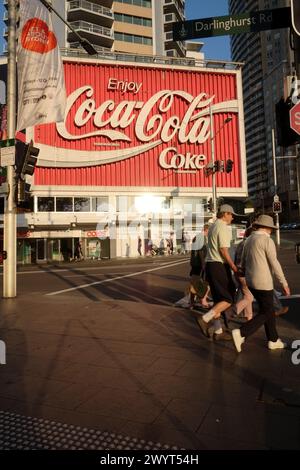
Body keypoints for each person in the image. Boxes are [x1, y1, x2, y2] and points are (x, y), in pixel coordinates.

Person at [231, 214, 290, 353]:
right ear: (268, 228)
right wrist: (284, 283)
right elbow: (274, 263)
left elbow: (243, 261)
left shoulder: (249, 239)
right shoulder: (266, 241)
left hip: (251, 281)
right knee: (266, 312)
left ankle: (273, 340)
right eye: (271, 229)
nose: (271, 231)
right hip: (263, 282)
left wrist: (243, 272)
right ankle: (241, 333)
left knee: (267, 310)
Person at [196, 205, 238, 342]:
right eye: (231, 214)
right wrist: (233, 265)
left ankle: (218, 330)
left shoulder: (213, 226)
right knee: (228, 299)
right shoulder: (223, 227)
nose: (232, 217)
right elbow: (223, 250)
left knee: (219, 299)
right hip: (218, 265)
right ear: (225, 214)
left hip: (210, 265)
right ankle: (204, 318)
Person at [225, 226, 254, 321]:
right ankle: (231, 311)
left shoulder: (241, 243)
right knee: (249, 297)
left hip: (238, 272)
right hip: (244, 273)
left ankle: (249, 317)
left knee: (247, 295)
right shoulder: (250, 244)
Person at [189, 224, 210, 308]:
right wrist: (203, 264)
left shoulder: (196, 236)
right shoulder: (203, 237)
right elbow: (201, 252)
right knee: (204, 283)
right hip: (199, 264)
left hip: (194, 263)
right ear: (207, 230)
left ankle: (192, 301)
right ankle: (202, 299)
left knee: (194, 282)